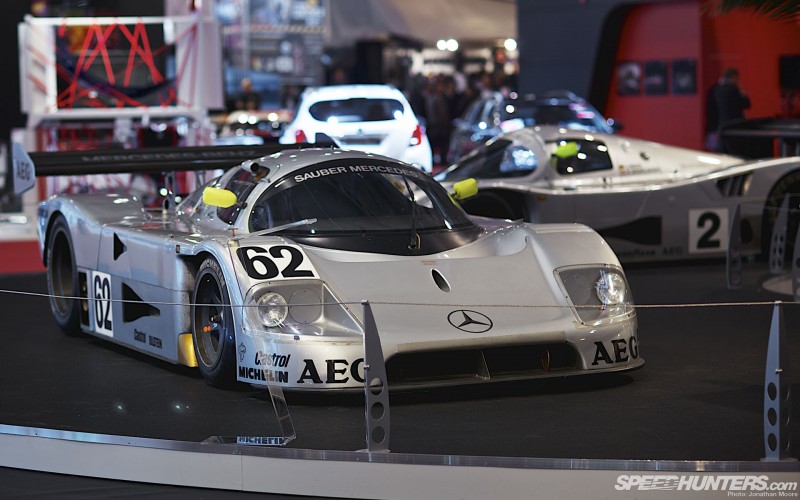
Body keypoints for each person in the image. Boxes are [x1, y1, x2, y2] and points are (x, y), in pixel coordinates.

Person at [706, 67, 750, 152]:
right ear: (733, 77)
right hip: (734, 127)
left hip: (720, 127)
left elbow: (711, 111)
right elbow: (746, 104)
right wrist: (741, 91)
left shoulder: (715, 89)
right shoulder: (733, 89)